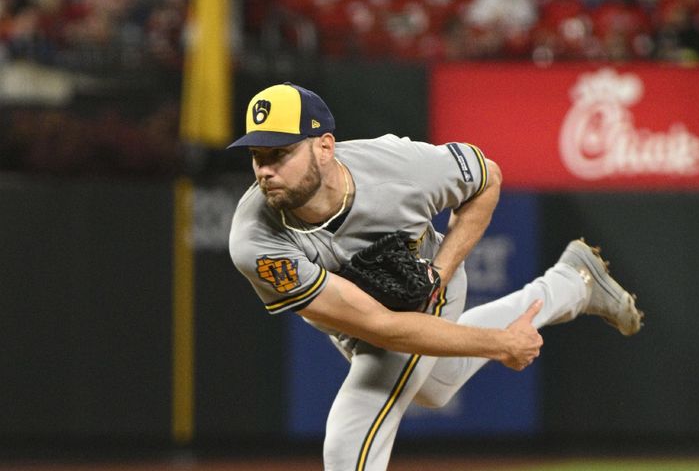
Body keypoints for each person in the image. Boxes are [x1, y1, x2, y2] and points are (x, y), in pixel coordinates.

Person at [227, 82, 643, 471]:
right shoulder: (255, 239)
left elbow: (487, 177)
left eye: (280, 153)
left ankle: (566, 284)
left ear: (324, 147)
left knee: (351, 430)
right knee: (435, 387)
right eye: (257, 156)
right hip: (363, 322)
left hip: (424, 292)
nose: (265, 170)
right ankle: (569, 283)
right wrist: (502, 343)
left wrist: (440, 274)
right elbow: (379, 326)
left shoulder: (399, 167)